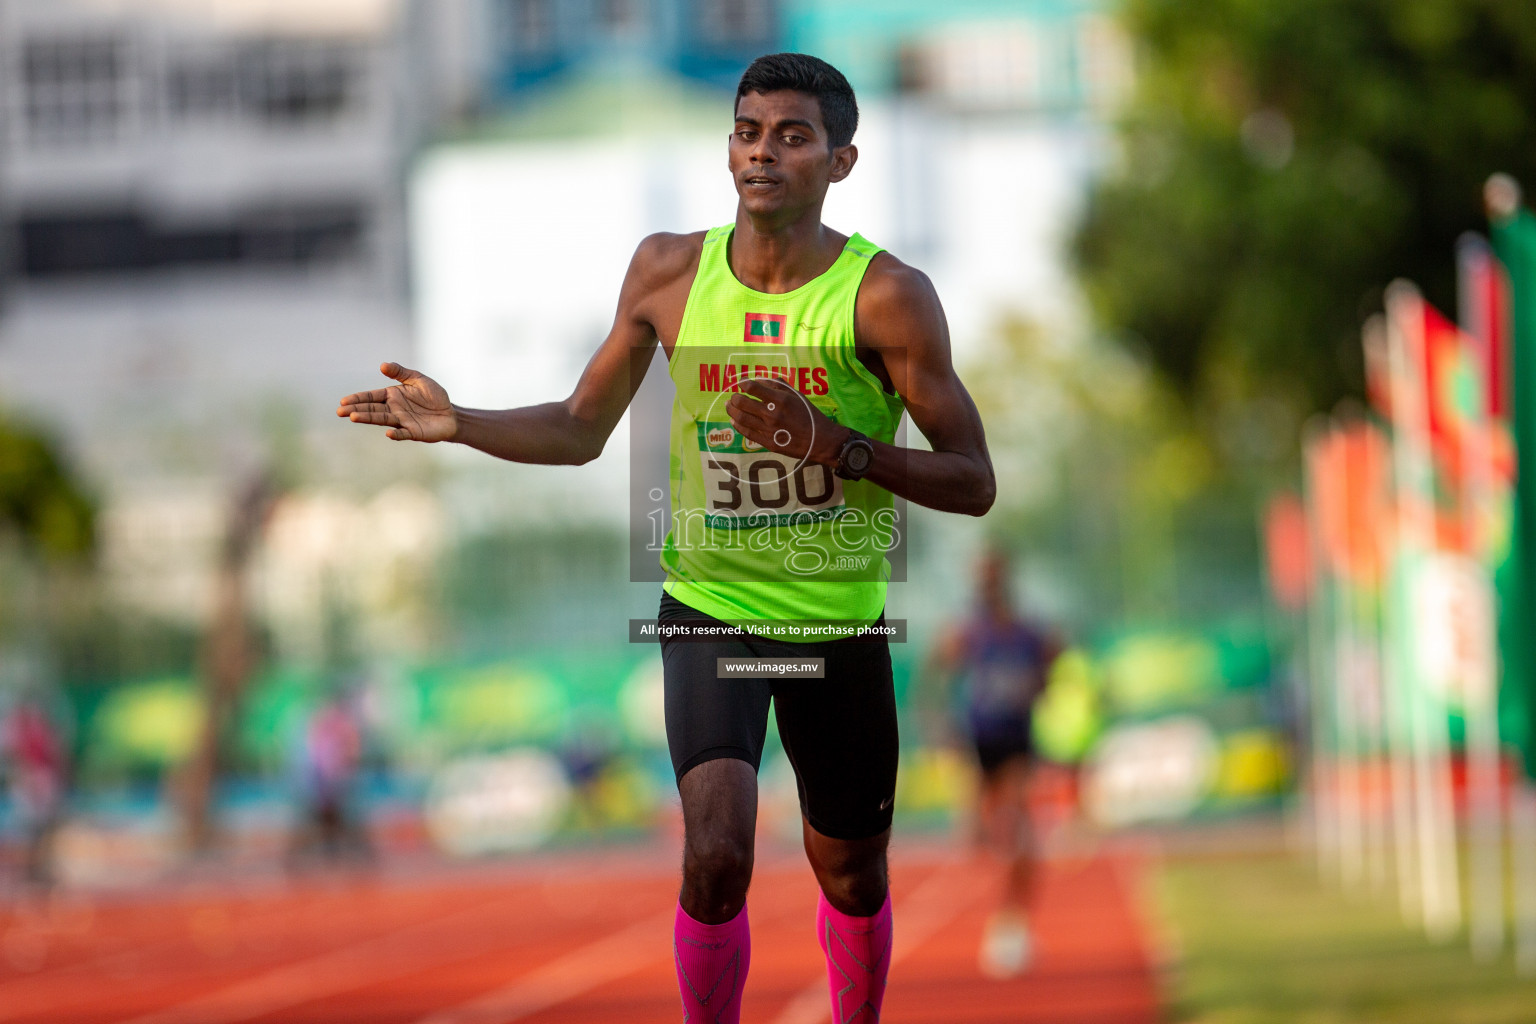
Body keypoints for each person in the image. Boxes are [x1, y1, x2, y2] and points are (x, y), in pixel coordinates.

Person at [338, 53, 994, 1024]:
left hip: (837, 621)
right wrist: (460, 420)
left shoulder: (886, 298)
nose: (761, 152)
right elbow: (578, 425)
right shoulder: (670, 273)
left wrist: (842, 448)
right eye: (747, 131)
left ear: (842, 161)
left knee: (850, 872)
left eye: (792, 135)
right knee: (717, 850)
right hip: (712, 611)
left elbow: (972, 479)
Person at [926, 550, 1061, 978]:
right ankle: (1005, 917)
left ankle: (1011, 924)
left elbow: (1050, 670)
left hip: (1016, 742)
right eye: (982, 577)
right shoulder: (968, 632)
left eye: (992, 575)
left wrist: (1038, 688)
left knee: (1019, 832)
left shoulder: (1029, 634)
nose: (987, 584)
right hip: (978, 743)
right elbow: (933, 676)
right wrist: (941, 727)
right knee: (975, 840)